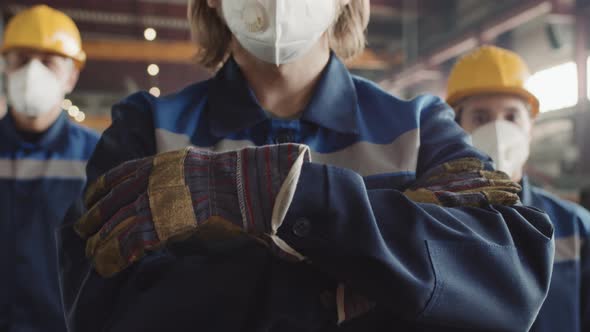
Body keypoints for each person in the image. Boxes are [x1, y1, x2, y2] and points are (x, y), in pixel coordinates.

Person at [59, 1, 554, 331]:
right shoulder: (147, 126)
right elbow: (100, 308)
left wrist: (274, 192)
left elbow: (510, 282)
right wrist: (375, 274)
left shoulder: (420, 126)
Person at [447, 45, 590, 332]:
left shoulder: (575, 228)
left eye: (511, 116)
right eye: (481, 118)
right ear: (456, 128)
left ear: (530, 127)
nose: (498, 130)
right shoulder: (434, 223)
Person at [0, 5, 100, 332]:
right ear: (5, 66)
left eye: (48, 62)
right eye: (22, 58)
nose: (32, 72)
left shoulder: (97, 155)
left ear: (71, 76)